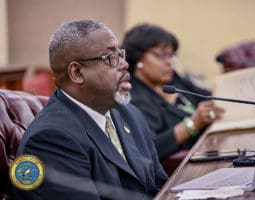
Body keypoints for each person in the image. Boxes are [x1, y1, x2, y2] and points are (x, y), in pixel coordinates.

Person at [12, 19, 167, 200]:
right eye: (110, 58)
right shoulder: (51, 140)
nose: (124, 64)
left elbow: (161, 186)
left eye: (120, 54)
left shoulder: (130, 115)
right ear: (77, 73)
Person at [121, 24, 224, 159]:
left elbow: (207, 96)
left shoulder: (173, 80)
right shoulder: (133, 97)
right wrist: (192, 124)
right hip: (178, 169)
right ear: (138, 58)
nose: (169, 62)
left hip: (212, 148)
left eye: (171, 55)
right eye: (162, 55)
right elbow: (150, 148)